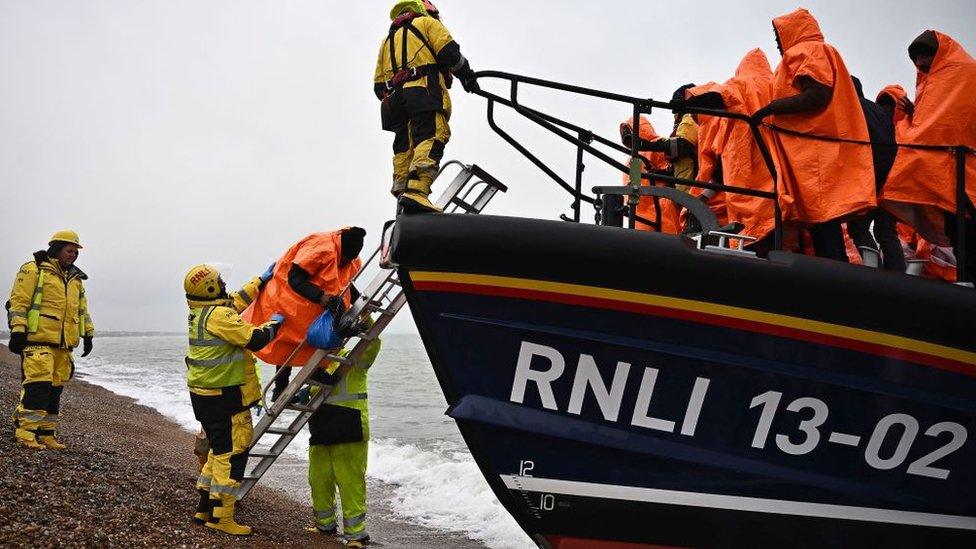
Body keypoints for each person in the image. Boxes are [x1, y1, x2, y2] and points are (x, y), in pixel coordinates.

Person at [753, 8, 876, 262]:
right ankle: (832, 273)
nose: (777, 42)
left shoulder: (807, 51)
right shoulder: (817, 51)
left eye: (778, 35)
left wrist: (771, 109)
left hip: (816, 153)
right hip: (818, 151)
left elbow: (816, 95)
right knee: (822, 220)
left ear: (792, 31)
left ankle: (834, 274)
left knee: (824, 219)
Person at [184, 264, 285, 536]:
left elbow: (235, 302)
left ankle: (204, 508)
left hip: (205, 397)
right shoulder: (219, 316)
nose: (223, 284)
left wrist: (260, 281)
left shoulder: (201, 312)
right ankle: (223, 518)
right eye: (219, 281)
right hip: (225, 397)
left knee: (218, 451)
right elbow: (255, 339)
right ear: (210, 287)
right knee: (233, 453)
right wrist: (275, 324)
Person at [880, 30, 976, 283]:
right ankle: (965, 281)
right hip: (947, 173)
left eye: (924, 59)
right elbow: (937, 120)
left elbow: (952, 120)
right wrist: (915, 115)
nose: (920, 66)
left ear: (937, 55)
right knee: (959, 233)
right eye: (917, 61)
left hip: (963, 170)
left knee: (967, 232)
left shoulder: (963, 73)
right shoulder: (937, 78)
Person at [374, 0, 480, 214]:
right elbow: (449, 53)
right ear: (427, 11)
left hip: (394, 103)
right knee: (431, 135)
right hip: (423, 91)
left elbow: (378, 86)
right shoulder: (426, 23)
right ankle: (417, 192)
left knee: (405, 147)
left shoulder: (386, 42)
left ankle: (403, 194)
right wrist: (467, 76)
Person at [242, 228, 366, 401]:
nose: (346, 263)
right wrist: (321, 298)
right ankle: (283, 387)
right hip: (286, 295)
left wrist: (362, 301)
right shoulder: (321, 249)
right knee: (286, 340)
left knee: (319, 335)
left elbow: (344, 283)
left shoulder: (351, 260)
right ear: (342, 250)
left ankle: (313, 373)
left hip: (309, 304)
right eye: (345, 259)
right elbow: (295, 278)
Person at [7, 230, 94, 450]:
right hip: (38, 341)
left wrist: (88, 334)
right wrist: (17, 331)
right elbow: (19, 301)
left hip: (63, 346)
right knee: (37, 387)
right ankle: (26, 433)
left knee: (55, 390)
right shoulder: (33, 269)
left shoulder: (75, 279)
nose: (73, 255)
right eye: (69, 250)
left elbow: (82, 310)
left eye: (75, 252)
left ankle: (46, 434)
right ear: (56, 249)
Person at [687, 50, 777, 250]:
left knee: (754, 236)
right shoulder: (779, 85)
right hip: (779, 185)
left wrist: (689, 99)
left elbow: (718, 94)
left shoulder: (739, 86)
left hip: (744, 184)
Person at [307, 325, 382, 547]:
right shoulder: (315, 363)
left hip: (349, 428)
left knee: (350, 483)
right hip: (321, 430)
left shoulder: (353, 358)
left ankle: (356, 534)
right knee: (319, 480)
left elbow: (373, 343)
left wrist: (365, 319)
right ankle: (324, 525)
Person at [844, 76, 907, 272]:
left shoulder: (855, 110)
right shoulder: (884, 117)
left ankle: (875, 271)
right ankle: (897, 274)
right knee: (886, 229)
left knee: (858, 227)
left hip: (871, 179)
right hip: (893, 181)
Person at [618, 115, 679, 233]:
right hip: (658, 208)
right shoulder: (656, 148)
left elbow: (633, 191)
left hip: (643, 214)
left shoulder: (634, 160)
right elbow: (674, 172)